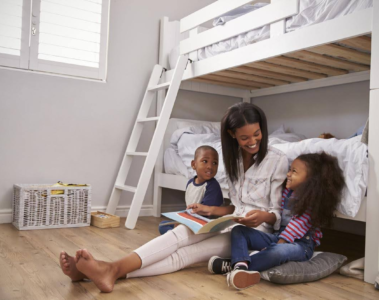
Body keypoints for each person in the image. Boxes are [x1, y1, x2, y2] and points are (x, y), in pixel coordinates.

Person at [59, 102, 288, 293]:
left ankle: (108, 270)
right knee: (180, 233)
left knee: (186, 254)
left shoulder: (277, 160)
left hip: (251, 233)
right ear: (232, 135)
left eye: (257, 134)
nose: (252, 142)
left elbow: (276, 215)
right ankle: (104, 271)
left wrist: (263, 217)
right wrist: (212, 211)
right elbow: (236, 206)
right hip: (230, 220)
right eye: (244, 137)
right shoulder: (233, 159)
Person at [210, 152, 345, 290]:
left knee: (277, 252)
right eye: (289, 170)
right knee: (238, 231)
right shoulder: (288, 192)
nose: (288, 174)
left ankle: (236, 266)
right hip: (279, 237)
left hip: (301, 245)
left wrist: (277, 244)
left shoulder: (312, 202)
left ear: (309, 179)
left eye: (294, 171)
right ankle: (240, 266)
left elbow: (296, 225)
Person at [159, 145, 224, 234]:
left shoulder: (213, 186)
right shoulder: (190, 183)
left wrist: (183, 223)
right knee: (163, 225)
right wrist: (181, 221)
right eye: (205, 161)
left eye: (214, 163)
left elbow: (204, 214)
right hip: (191, 220)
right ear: (194, 164)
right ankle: (177, 234)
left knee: (174, 229)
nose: (210, 166)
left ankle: (178, 235)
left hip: (204, 225)